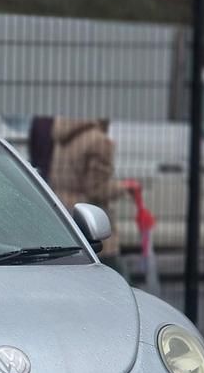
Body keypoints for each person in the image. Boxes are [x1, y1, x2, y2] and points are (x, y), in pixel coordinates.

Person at [30, 116, 132, 277]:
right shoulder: (99, 141)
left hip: (64, 216)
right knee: (117, 281)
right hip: (91, 221)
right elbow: (97, 189)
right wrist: (125, 188)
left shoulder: (62, 138)